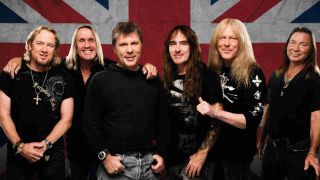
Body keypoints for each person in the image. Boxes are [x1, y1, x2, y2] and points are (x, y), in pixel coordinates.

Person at [3, 25, 158, 180]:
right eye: (81, 40)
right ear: (75, 46)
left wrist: (147, 67)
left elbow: (130, 68)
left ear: (97, 43)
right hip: (76, 148)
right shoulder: (63, 69)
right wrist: (19, 60)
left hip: (105, 149)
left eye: (91, 40)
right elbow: (37, 63)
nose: (87, 45)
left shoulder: (109, 68)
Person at [83, 21, 169, 180]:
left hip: (150, 167)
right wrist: (105, 157)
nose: (129, 50)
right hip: (117, 166)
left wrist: (162, 154)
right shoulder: (100, 80)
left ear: (141, 45)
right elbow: (90, 124)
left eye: (134, 43)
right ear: (115, 49)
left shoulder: (152, 79)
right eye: (123, 44)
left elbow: (163, 122)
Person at [0, 26, 74, 180]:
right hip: (18, 154)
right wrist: (21, 146)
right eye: (40, 43)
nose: (44, 49)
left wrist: (45, 145)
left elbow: (67, 119)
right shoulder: (11, 74)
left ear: (55, 50)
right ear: (29, 46)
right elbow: (3, 115)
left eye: (50, 45)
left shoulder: (64, 77)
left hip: (52, 156)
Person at [197, 18, 266, 179]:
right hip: (212, 157)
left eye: (233, 38)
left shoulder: (253, 73)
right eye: (222, 38)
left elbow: (251, 120)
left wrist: (216, 113)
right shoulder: (213, 70)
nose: (226, 43)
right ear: (216, 42)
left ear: (241, 43)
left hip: (237, 158)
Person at [257, 27, 320, 179]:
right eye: (293, 42)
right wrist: (261, 139)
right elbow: (270, 111)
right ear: (287, 46)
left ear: (311, 50)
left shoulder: (314, 79)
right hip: (272, 149)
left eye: (303, 44)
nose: (296, 48)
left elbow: (317, 118)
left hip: (299, 153)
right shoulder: (276, 76)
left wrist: (312, 152)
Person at [162, 25, 223, 179]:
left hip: (197, 164)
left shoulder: (208, 76)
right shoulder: (167, 79)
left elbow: (218, 119)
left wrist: (201, 155)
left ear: (192, 47)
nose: (177, 49)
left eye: (183, 43)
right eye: (172, 44)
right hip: (171, 162)